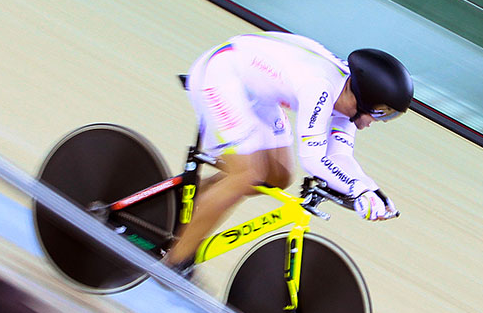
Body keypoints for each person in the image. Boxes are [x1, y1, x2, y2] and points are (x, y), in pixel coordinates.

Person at [163, 31, 413, 274]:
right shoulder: (321, 87)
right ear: (364, 98)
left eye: (390, 115)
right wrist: (357, 189)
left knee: (278, 176)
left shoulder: (349, 102)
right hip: (221, 76)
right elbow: (313, 157)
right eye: (381, 112)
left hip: (258, 92)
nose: (380, 121)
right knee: (246, 174)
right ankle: (173, 264)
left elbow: (340, 157)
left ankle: (192, 209)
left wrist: (369, 189)